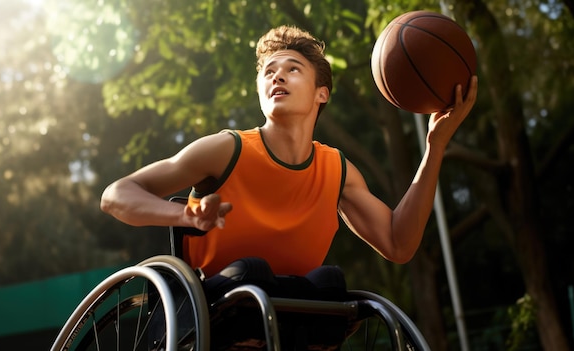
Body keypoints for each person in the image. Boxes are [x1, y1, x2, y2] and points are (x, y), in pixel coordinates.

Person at [100, 24, 477, 285]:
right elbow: (116, 195)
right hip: (217, 303)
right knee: (253, 273)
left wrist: (435, 147)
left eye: (292, 69)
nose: (276, 77)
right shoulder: (226, 149)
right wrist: (184, 214)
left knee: (329, 282)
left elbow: (398, 244)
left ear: (321, 93)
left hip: (295, 309)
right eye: (268, 72)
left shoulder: (336, 170)